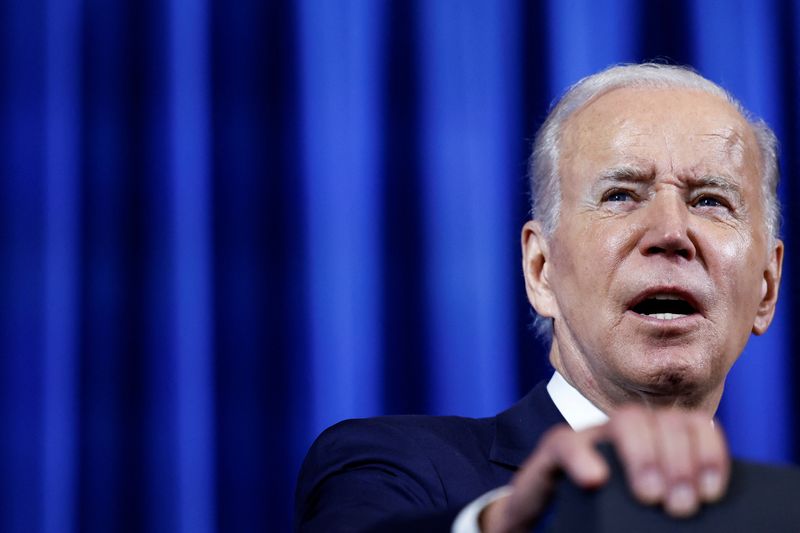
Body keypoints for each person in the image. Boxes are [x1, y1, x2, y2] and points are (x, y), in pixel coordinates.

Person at [294, 63, 784, 533]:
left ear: (766, 287)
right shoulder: (397, 467)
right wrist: (507, 524)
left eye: (710, 201)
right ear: (540, 270)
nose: (672, 232)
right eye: (621, 195)